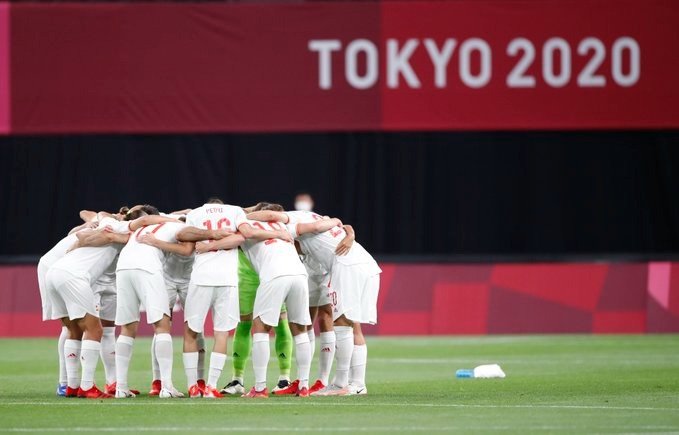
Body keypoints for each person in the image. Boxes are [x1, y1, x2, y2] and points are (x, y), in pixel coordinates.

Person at [248, 209, 380, 396]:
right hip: (365, 264)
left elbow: (273, 216)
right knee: (352, 324)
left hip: (348, 266)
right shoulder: (318, 219)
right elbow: (339, 227)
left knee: (343, 324)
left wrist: (241, 218)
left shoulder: (294, 221)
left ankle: (347, 383)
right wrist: (347, 230)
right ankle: (351, 383)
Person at [45, 211, 153, 399]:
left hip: (55, 273)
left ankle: (71, 385)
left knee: (74, 330)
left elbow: (81, 232)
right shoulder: (119, 226)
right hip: (74, 276)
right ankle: (87, 386)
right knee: (95, 330)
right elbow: (141, 220)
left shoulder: (113, 229)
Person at [172, 198, 245, 398]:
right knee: (221, 333)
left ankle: (193, 387)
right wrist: (217, 239)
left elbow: (181, 233)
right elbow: (241, 237)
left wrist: (208, 243)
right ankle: (211, 387)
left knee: (190, 332)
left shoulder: (196, 213)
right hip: (227, 279)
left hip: (201, 277)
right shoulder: (235, 210)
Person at [113, 206, 189, 399]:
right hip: (147, 267)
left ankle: (120, 387)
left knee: (127, 327)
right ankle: (167, 386)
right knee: (162, 325)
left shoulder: (139, 227)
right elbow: (188, 233)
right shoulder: (177, 224)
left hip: (123, 268)